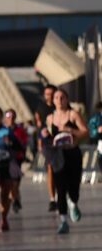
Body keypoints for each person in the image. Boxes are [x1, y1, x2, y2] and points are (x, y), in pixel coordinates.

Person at [44, 88, 87, 234]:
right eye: (56, 97)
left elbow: (85, 131)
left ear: (67, 99)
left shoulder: (73, 114)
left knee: (74, 185)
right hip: (58, 156)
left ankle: (73, 202)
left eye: (62, 97)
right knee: (60, 188)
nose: (59, 100)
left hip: (73, 154)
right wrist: (45, 135)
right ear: (53, 101)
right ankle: (63, 221)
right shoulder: (50, 118)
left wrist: (70, 130)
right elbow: (49, 136)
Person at [34, 84, 58, 210]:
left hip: (60, 141)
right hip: (47, 142)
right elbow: (38, 125)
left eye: (51, 94)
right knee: (50, 169)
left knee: (60, 169)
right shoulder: (41, 108)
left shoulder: (59, 105)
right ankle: (52, 199)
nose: (49, 96)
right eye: (47, 94)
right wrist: (39, 142)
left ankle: (61, 194)